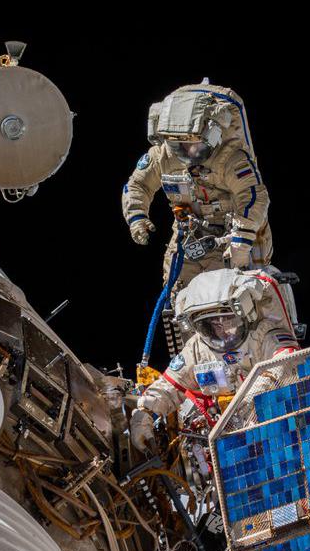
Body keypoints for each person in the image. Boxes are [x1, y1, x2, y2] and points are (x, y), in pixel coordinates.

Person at [121, 83, 273, 290]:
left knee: (233, 296)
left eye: (195, 144)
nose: (188, 151)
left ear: (212, 135)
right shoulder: (162, 156)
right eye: (180, 145)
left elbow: (253, 196)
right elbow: (137, 185)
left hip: (232, 236)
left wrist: (242, 238)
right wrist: (137, 216)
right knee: (178, 296)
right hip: (190, 236)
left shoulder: (230, 158)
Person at [129, 268, 297, 451]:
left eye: (228, 319)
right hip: (229, 440)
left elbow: (286, 360)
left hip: (276, 425)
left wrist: (252, 398)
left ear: (245, 314)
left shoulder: (264, 335)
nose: (223, 327)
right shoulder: (197, 349)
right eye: (214, 323)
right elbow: (170, 386)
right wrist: (145, 412)